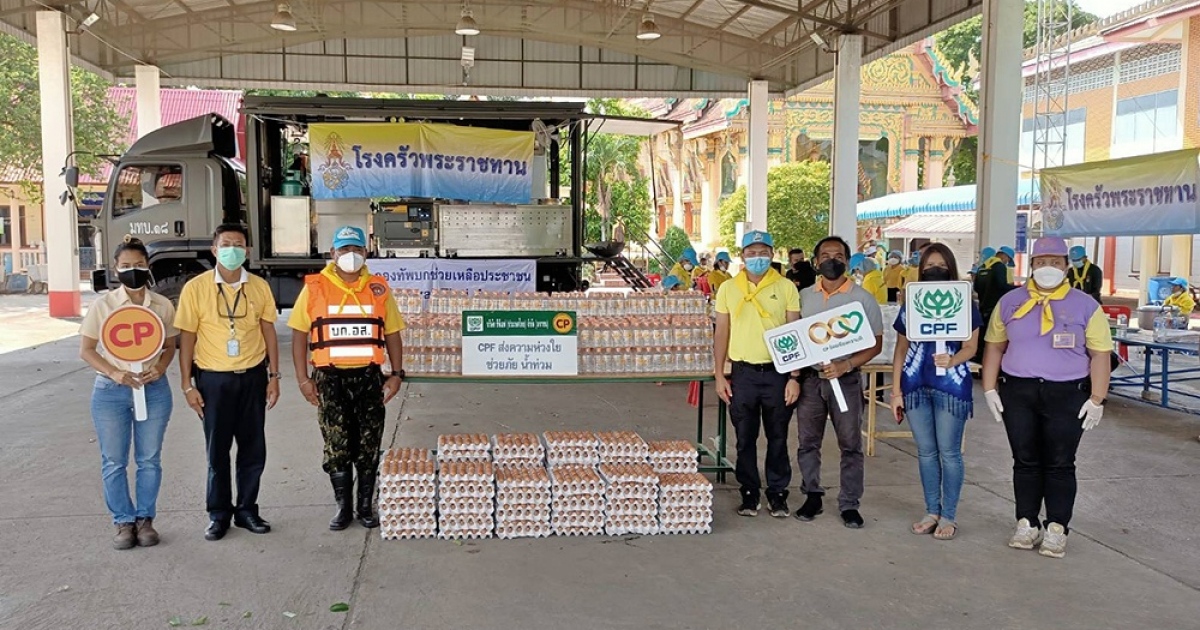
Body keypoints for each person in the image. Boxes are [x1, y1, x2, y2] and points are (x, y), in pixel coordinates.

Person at [982, 236, 1112, 559]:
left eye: (1055, 262)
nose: (1048, 268)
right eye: (1041, 262)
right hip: (1019, 391)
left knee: (1060, 462)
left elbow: (1100, 354)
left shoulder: (1086, 305)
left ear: (1066, 266)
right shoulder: (1010, 302)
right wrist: (989, 388)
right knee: (1024, 459)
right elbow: (995, 347)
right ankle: (1027, 522)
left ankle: (1057, 527)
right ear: (1031, 265)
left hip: (1067, 393)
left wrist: (1097, 398)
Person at [289, 226, 406, 530]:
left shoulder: (378, 288)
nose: (350, 255)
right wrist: (302, 379)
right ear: (333, 253)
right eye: (344, 249)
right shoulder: (315, 287)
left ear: (366, 252)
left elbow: (392, 332)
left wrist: (396, 374)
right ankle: (343, 507)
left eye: (356, 249)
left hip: (368, 378)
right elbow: (299, 334)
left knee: (368, 444)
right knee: (337, 444)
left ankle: (365, 506)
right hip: (330, 379)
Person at [176, 224, 282, 542]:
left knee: (253, 449)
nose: (232, 249)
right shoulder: (195, 288)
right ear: (214, 249)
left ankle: (247, 510)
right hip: (212, 380)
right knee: (217, 452)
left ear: (247, 251)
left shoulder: (259, 287)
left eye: (238, 244)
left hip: (252, 377)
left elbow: (268, 331)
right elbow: (187, 337)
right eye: (226, 244)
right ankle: (218, 514)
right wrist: (187, 385)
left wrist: (274, 376)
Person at [79, 238, 178, 550]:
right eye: (125, 266)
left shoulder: (162, 305)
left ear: (147, 266)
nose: (132, 270)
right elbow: (87, 350)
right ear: (115, 268)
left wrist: (160, 368)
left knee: (149, 459)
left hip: (153, 389)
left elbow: (169, 346)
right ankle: (123, 521)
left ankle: (145, 519)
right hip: (111, 391)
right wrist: (114, 372)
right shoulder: (103, 306)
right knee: (114, 460)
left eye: (138, 264)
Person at [890, 243, 982, 541]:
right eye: (929, 266)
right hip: (915, 385)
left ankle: (949, 515)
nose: (935, 270)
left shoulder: (966, 304)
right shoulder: (911, 305)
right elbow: (900, 349)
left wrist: (952, 360)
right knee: (926, 452)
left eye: (941, 265)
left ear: (951, 268)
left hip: (951, 386)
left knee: (949, 452)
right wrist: (895, 391)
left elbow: (971, 346)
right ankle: (931, 511)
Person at [794, 236, 884, 529]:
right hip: (811, 381)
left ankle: (849, 503)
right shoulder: (803, 297)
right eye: (825, 255)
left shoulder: (862, 298)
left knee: (850, 443)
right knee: (807, 442)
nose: (831, 260)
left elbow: (875, 344)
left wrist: (846, 365)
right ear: (815, 261)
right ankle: (812, 495)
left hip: (846, 381)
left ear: (847, 260)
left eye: (838, 256)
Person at [713, 230, 802, 519]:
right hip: (743, 374)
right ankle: (749, 493)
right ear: (742, 256)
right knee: (744, 437)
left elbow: (794, 331)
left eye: (763, 252)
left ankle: (777, 493)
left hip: (777, 374)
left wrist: (794, 377)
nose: (757, 258)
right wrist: (719, 374)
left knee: (778, 437)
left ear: (772, 254)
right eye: (751, 253)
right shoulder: (728, 288)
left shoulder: (786, 287)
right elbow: (722, 332)